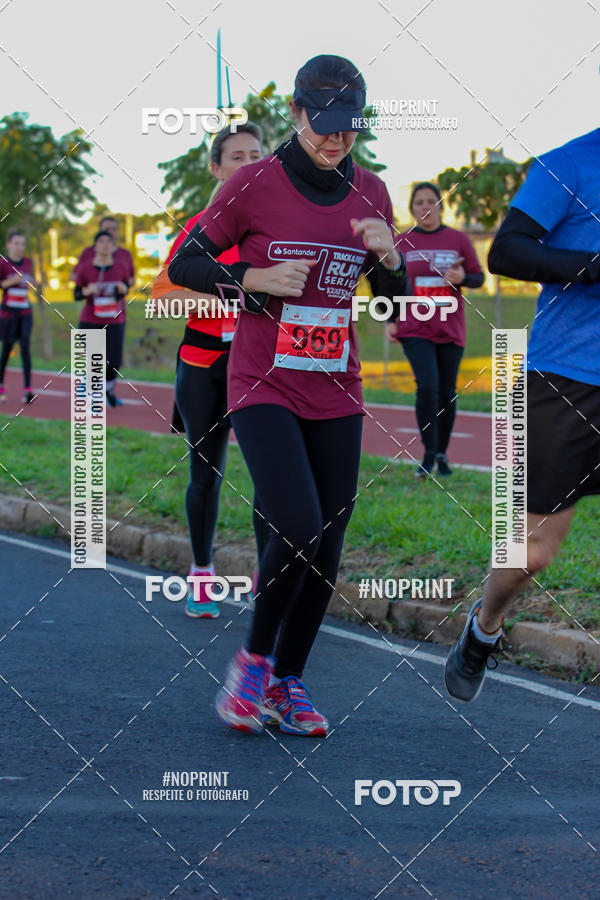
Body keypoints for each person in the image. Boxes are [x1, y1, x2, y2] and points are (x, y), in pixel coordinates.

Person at [169, 54, 408, 736]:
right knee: (298, 527)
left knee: (328, 543)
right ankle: (251, 662)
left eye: (349, 125)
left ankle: (287, 682)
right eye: (323, 123)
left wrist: (392, 259)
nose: (336, 138)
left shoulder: (373, 192)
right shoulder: (253, 183)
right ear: (297, 113)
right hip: (262, 381)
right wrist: (251, 277)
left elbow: (396, 303)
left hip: (336, 385)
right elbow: (185, 261)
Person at [444, 127, 600, 702]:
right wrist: (593, 265)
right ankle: (485, 627)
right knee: (529, 553)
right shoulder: (570, 165)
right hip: (566, 379)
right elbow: (506, 250)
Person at [152, 122, 266, 619]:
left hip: (261, 365)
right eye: (236, 157)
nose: (248, 164)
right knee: (205, 474)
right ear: (216, 169)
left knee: (272, 478)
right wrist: (231, 297)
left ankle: (269, 582)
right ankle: (202, 574)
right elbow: (163, 296)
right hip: (203, 365)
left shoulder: (278, 228)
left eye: (256, 155)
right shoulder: (200, 226)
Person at [387, 182, 484, 477]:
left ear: (441, 206)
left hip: (450, 327)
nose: (425, 207)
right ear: (412, 208)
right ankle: (428, 455)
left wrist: (462, 277)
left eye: (431, 201)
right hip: (414, 326)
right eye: (419, 202)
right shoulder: (402, 242)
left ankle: (442, 452)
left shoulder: (458, 239)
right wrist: (391, 319)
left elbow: (478, 277)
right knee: (427, 385)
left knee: (446, 392)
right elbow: (391, 283)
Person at [74, 230, 130, 406]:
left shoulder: (121, 267)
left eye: (109, 242)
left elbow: (126, 287)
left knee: (114, 362)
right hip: (90, 320)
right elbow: (76, 294)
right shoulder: (86, 268)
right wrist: (87, 291)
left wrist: (123, 289)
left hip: (114, 320)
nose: (105, 245)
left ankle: (107, 389)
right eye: (101, 241)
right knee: (95, 361)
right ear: (95, 246)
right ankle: (94, 398)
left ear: (113, 247)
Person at [0, 230, 38, 404]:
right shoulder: (3, 263)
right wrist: (12, 281)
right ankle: (1, 386)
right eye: (16, 243)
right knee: (6, 350)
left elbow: (33, 283)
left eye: (22, 244)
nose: (19, 247)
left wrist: (32, 283)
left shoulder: (28, 263)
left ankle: (28, 390)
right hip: (8, 314)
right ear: (8, 245)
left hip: (25, 313)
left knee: (25, 348)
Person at [72, 216, 135, 287]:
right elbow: (74, 276)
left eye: (114, 229)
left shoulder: (125, 254)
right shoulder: (88, 252)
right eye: (107, 229)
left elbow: (131, 279)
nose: (111, 232)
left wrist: (120, 285)